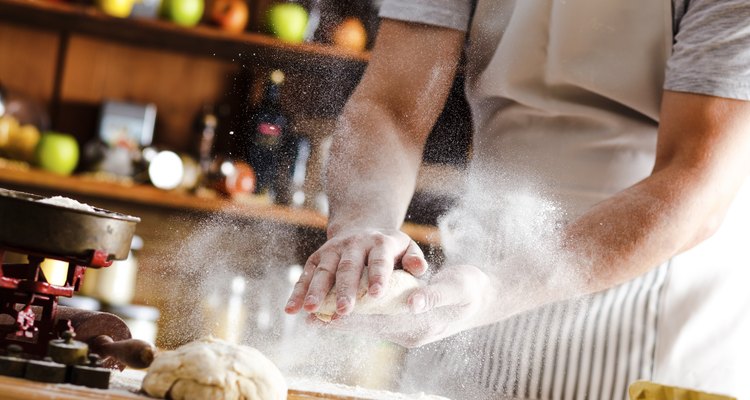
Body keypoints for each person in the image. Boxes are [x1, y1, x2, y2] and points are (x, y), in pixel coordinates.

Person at [285, 0, 750, 399]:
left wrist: (495, 291)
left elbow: (695, 181)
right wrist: (365, 224)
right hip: (472, 284)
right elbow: (391, 106)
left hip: (649, 309)